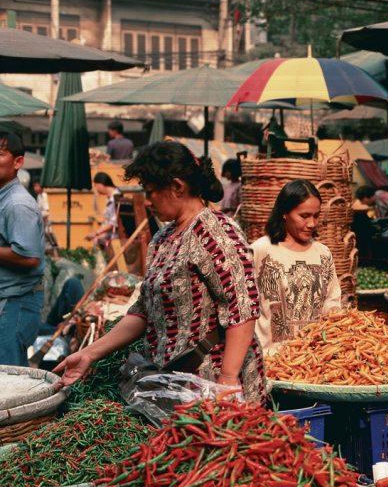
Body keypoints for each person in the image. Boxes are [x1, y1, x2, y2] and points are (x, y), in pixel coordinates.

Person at [54, 141, 266, 400]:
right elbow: (143, 311)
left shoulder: (217, 232)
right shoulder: (163, 238)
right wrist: (88, 353)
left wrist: (228, 380)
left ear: (177, 186)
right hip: (173, 382)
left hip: (213, 382)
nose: (147, 200)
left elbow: (242, 307)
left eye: (151, 191)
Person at [251, 179, 340, 350]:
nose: (312, 224)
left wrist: (334, 314)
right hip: (270, 359)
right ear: (284, 213)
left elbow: (332, 298)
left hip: (316, 358)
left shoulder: (323, 253)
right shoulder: (261, 251)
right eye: (304, 216)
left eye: (316, 215)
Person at [0, 132, 44, 366]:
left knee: (7, 378)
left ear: (18, 162)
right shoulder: (3, 198)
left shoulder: (17, 204)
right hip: (7, 301)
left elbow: (29, 257)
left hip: (15, 304)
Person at [86, 172, 120, 251]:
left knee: (98, 239)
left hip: (115, 234)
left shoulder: (116, 198)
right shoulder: (110, 198)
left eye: (96, 186)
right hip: (111, 232)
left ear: (100, 184)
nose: (96, 189)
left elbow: (113, 223)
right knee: (97, 239)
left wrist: (95, 233)